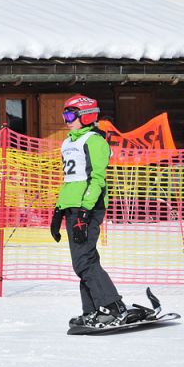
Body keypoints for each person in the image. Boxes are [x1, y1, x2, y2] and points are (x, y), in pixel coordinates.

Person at [49, 95, 131, 328]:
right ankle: (94, 309)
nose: (66, 120)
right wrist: (58, 210)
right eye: (64, 115)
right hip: (72, 207)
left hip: (89, 207)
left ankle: (113, 307)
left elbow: (97, 180)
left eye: (70, 115)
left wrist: (85, 211)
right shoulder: (67, 143)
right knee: (83, 261)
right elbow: (70, 180)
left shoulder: (94, 141)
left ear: (86, 116)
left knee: (84, 261)